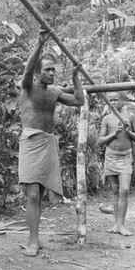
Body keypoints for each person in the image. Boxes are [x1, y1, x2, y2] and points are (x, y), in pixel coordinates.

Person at [19, 30, 84, 256]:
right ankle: (33, 240)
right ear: (38, 72)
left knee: (41, 192)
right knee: (33, 193)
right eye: (47, 69)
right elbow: (27, 70)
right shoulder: (28, 87)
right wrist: (39, 44)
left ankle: (36, 238)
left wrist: (75, 77)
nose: (51, 73)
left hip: (47, 143)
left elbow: (79, 100)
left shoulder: (54, 92)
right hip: (30, 141)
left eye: (54, 70)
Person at [98, 91, 135, 236]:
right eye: (111, 100)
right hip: (110, 156)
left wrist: (128, 132)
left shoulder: (130, 116)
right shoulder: (107, 119)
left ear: (122, 101)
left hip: (125, 157)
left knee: (124, 190)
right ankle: (116, 224)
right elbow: (101, 141)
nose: (114, 102)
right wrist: (114, 134)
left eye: (116, 99)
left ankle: (122, 225)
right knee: (115, 190)